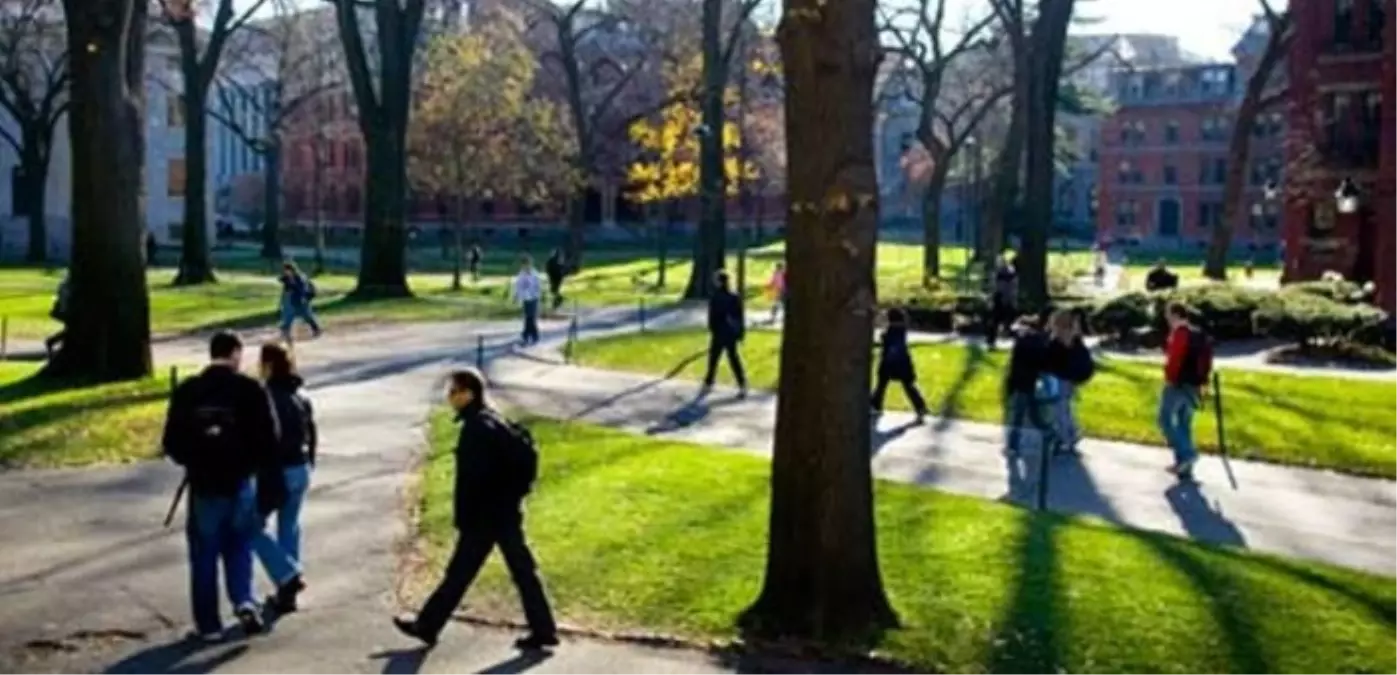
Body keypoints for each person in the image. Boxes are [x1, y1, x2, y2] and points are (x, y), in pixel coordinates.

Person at [394, 368, 558, 650]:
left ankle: (428, 625)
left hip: (486, 517)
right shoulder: (493, 420)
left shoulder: (477, 429)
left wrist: (466, 517)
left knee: (462, 572)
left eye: (454, 391)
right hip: (503, 512)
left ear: (469, 393)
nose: (450, 397)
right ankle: (543, 629)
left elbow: (475, 479)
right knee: (518, 571)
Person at [161, 331, 280, 640]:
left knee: (203, 555)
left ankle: (209, 625)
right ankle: (244, 601)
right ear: (236, 354)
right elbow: (270, 437)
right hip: (240, 480)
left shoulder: (189, 391)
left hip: (203, 484)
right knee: (239, 546)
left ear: (211, 352)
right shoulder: (250, 390)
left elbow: (171, 442)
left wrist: (193, 459)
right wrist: (254, 467)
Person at [249, 342, 316, 615]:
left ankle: (287, 575)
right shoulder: (300, 395)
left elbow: (260, 439)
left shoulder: (264, 397)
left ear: (266, 365)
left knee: (251, 525)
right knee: (289, 525)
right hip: (301, 467)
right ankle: (286, 593)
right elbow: (312, 433)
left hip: (278, 470)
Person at [1159, 302, 1212, 479]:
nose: (1166, 318)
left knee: (1164, 419)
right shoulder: (1197, 334)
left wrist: (1169, 378)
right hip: (1195, 385)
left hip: (1178, 384)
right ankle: (1183, 465)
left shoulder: (1180, 334)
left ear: (1175, 315)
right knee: (1184, 424)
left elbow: (1174, 360)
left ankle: (1187, 454)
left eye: (1168, 315)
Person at [1002, 316, 1061, 457]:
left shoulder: (1022, 341)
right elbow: (1044, 365)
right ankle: (1053, 435)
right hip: (1030, 382)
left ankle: (1013, 446)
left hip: (1019, 381)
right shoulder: (1040, 342)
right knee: (1034, 416)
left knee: (1018, 415)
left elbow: (1015, 364)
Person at [1044, 309, 1095, 455]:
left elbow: (1052, 360)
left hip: (1060, 379)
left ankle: (1066, 437)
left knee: (1059, 410)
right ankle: (1071, 434)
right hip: (1069, 379)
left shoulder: (1059, 340)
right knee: (1065, 408)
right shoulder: (1074, 338)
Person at [871, 307, 928, 422]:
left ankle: (876, 405)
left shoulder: (893, 330)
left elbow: (888, 342)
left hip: (890, 361)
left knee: (882, 383)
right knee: (908, 385)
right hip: (903, 361)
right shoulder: (901, 329)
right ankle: (920, 407)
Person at [701, 270, 748, 398]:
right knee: (733, 358)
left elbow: (712, 316)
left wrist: (712, 329)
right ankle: (742, 384)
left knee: (714, 358)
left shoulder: (715, 297)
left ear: (719, 282)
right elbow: (740, 316)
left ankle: (709, 382)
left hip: (719, 332)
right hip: (731, 332)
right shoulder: (735, 296)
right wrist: (740, 333)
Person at [278, 262, 322, 343]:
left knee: (307, 316)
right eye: (285, 270)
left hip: (301, 301)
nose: (286, 272)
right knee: (288, 316)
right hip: (292, 301)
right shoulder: (288, 278)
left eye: (287, 270)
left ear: (291, 270)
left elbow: (302, 289)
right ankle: (285, 332)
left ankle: (316, 329)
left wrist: (302, 297)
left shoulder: (300, 278)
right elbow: (282, 281)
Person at [986, 252, 1018, 350]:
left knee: (997, 320)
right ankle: (997, 337)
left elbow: (1000, 286)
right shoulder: (1006, 272)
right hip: (1001, 297)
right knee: (998, 320)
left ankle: (994, 339)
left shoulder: (1002, 273)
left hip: (1001, 297)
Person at [512, 256, 543, 346]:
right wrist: (516, 296)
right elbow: (518, 286)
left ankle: (530, 335)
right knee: (528, 317)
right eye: (523, 265)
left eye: (527, 265)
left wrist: (539, 295)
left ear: (530, 264)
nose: (525, 267)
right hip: (526, 298)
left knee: (531, 317)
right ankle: (529, 335)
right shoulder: (522, 274)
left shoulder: (534, 274)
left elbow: (538, 286)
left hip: (534, 298)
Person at [44, 274, 71, 359]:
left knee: (71, 331)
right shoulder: (67, 287)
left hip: (64, 311)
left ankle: (52, 343)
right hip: (66, 312)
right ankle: (51, 342)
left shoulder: (65, 285)